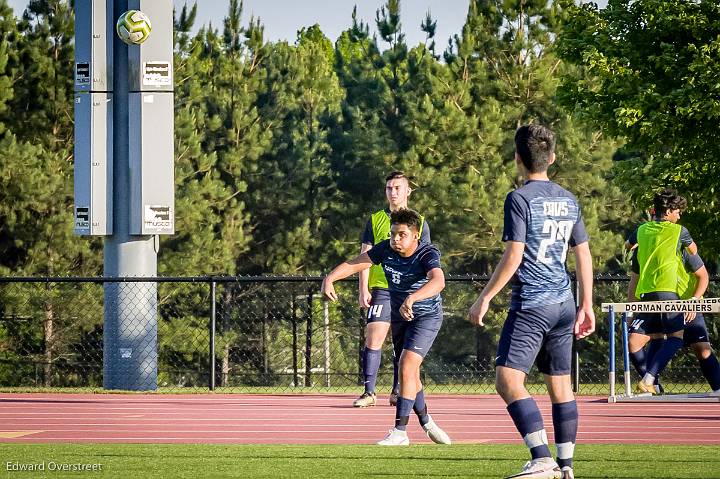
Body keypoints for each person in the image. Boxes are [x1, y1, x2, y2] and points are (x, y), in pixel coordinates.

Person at [468, 124, 595, 479]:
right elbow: (583, 254)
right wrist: (587, 304)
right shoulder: (569, 199)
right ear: (551, 158)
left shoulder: (519, 199)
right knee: (560, 384)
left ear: (518, 159)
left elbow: (514, 255)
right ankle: (566, 466)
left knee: (507, 381)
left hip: (532, 304)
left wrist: (484, 298)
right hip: (564, 302)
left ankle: (541, 458)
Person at [322, 208, 451, 446]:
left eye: (402, 234)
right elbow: (355, 263)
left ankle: (400, 432)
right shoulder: (386, 249)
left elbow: (438, 280)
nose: (396, 239)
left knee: (407, 364)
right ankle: (427, 421)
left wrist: (412, 298)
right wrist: (330, 277)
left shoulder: (427, 252)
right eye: (393, 234)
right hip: (401, 317)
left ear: (415, 236)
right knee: (409, 373)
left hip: (426, 317)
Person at [354, 171, 431, 408]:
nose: (393, 192)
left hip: (407, 289)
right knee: (374, 336)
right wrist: (363, 288)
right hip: (382, 286)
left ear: (408, 191)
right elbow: (364, 255)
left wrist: (420, 292)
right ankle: (369, 392)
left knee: (404, 342)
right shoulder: (376, 219)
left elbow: (426, 257)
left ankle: (399, 390)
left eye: (398, 187)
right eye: (389, 188)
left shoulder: (419, 221)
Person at [625, 189, 699, 394]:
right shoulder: (679, 231)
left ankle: (653, 384)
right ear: (667, 211)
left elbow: (627, 245)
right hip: (668, 291)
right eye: (677, 211)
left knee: (647, 338)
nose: (679, 215)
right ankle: (649, 379)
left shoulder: (641, 230)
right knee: (676, 337)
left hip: (647, 293)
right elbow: (694, 251)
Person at [627, 248, 720, 395]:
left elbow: (703, 276)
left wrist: (694, 301)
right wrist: (630, 310)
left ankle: (718, 387)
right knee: (634, 341)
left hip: (687, 304)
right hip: (655, 303)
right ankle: (652, 385)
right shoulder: (644, 249)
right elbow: (634, 279)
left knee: (702, 349)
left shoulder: (682, 247)